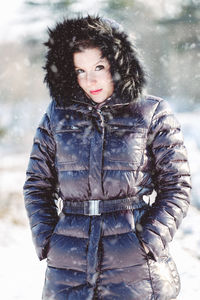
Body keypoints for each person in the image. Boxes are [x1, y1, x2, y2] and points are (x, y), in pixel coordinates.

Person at [23, 15, 191, 300]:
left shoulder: (151, 113)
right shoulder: (57, 116)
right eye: (80, 70)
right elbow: (37, 186)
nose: (91, 80)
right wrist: (50, 241)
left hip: (134, 267)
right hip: (68, 267)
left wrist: (149, 241)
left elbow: (176, 186)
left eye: (99, 66)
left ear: (118, 62)